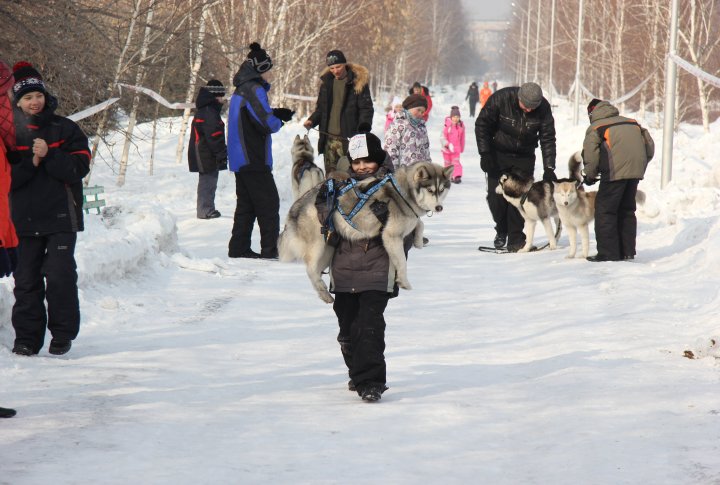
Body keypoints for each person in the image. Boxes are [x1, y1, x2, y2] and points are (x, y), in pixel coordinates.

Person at [318, 127, 408, 402]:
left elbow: (405, 230)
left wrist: (388, 219)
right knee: (348, 327)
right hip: (343, 270)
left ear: (379, 160)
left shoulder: (392, 188)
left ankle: (370, 381)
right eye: (356, 162)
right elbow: (321, 221)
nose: (361, 167)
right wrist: (326, 202)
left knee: (369, 325)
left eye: (367, 161)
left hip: (377, 271)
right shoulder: (339, 185)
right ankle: (356, 369)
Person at [7, 61, 91, 356]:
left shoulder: (65, 128)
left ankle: (62, 334)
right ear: (16, 101)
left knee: (60, 275)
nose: (34, 102)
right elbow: (6, 180)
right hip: (23, 219)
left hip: (60, 217)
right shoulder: (9, 134)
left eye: (38, 95)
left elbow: (78, 168)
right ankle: (27, 339)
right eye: (27, 98)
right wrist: (32, 161)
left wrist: (50, 154)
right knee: (26, 281)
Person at [227, 43, 294, 259]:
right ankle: (271, 249)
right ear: (259, 69)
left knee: (246, 205)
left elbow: (252, 116)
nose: (269, 74)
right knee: (268, 202)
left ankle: (238, 248)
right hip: (252, 156)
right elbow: (265, 123)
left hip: (240, 157)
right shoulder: (253, 89)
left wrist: (275, 112)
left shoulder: (241, 89)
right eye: (267, 70)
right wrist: (279, 120)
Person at [475, 81, 557, 252]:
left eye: (532, 108)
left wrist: (549, 167)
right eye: (525, 106)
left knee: (521, 200)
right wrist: (485, 153)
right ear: (519, 97)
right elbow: (482, 125)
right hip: (498, 154)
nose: (528, 110)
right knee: (495, 197)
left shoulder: (543, 108)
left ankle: (516, 239)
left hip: (524, 157)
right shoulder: (501, 98)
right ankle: (502, 229)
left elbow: (547, 137)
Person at [582, 98, 654, 262]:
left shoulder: (596, 127)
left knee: (605, 210)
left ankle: (608, 253)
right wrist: (640, 163)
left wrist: (590, 175)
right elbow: (649, 145)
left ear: (592, 113)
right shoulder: (632, 122)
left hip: (614, 173)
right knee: (627, 210)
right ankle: (627, 251)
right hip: (635, 171)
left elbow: (591, 155)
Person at [303, 49, 374, 174]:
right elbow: (321, 109)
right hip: (329, 139)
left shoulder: (357, 83)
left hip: (349, 140)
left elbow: (366, 109)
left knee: (349, 177)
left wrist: (363, 128)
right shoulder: (326, 84)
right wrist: (312, 120)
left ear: (344, 64)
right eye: (331, 68)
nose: (335, 71)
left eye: (338, 66)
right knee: (330, 179)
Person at [188, 79, 227, 220]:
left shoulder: (206, 109)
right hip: (206, 153)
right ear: (215, 95)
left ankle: (206, 208)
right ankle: (205, 210)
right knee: (208, 181)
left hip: (204, 152)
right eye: (221, 96)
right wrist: (221, 153)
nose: (223, 99)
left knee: (208, 181)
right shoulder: (209, 112)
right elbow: (214, 136)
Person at [383, 93, 431, 169]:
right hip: (403, 172)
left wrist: (429, 168)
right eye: (418, 110)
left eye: (422, 112)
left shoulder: (422, 127)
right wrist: (393, 170)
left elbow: (426, 150)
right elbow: (391, 149)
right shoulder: (398, 124)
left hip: (421, 173)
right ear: (409, 107)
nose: (420, 114)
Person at [440, 106, 465, 184]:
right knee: (447, 163)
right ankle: (448, 176)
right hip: (446, 149)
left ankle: (457, 176)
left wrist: (461, 147)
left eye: (457, 117)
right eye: (454, 117)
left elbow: (462, 138)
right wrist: (447, 144)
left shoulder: (461, 126)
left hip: (456, 149)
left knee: (456, 163)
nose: (456, 118)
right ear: (451, 117)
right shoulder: (447, 126)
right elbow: (442, 137)